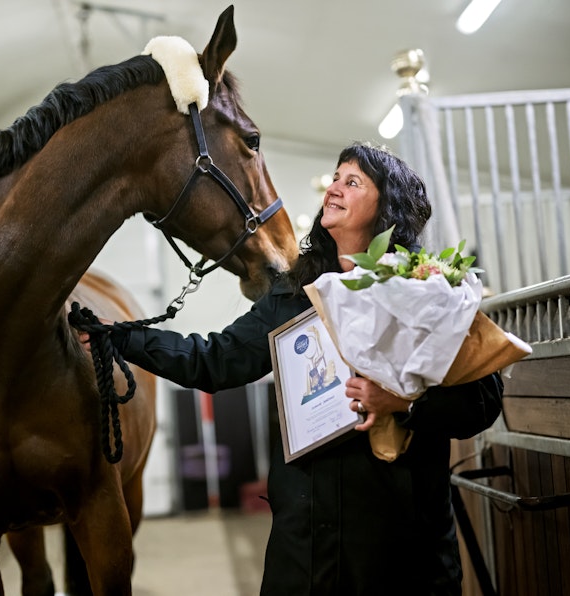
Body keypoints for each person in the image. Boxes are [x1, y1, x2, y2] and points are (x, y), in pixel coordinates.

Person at [87, 142, 503, 595]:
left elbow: (482, 402)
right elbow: (213, 360)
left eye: (353, 181)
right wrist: (122, 336)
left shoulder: (428, 291)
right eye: (335, 177)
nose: (334, 189)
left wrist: (401, 403)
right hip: (306, 548)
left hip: (401, 551)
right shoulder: (293, 297)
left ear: (387, 207)